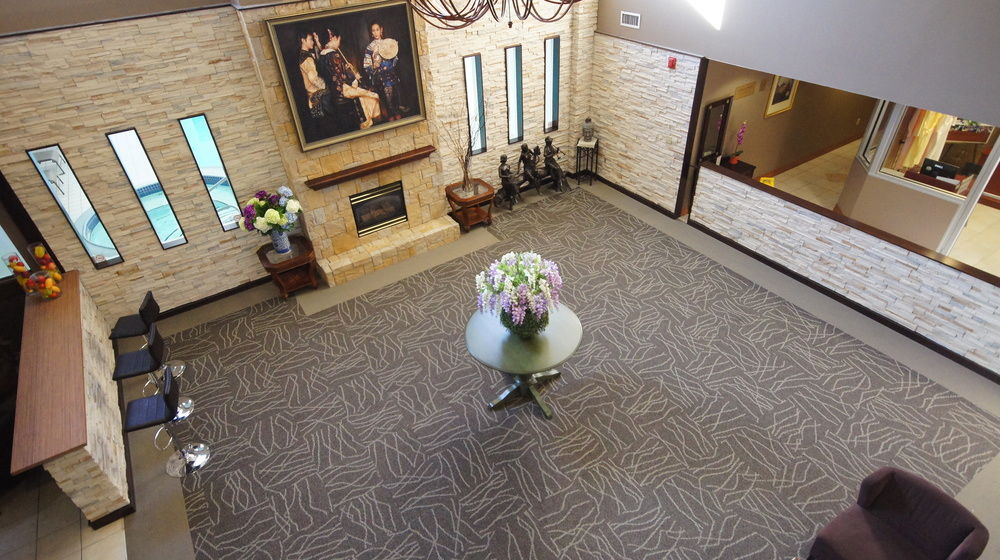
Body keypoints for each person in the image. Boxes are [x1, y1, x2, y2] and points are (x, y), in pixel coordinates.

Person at [317, 29, 381, 130]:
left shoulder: (321, 57)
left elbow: (333, 73)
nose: (339, 44)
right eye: (339, 40)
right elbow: (344, 79)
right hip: (344, 94)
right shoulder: (334, 55)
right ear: (333, 38)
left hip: (334, 95)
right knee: (373, 96)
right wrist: (354, 76)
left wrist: (345, 68)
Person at [364, 22, 405, 121]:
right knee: (388, 105)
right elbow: (366, 66)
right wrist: (374, 66)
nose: (376, 32)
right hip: (381, 78)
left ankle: (399, 118)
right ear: (371, 32)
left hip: (392, 75)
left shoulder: (388, 42)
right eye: (373, 30)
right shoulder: (370, 47)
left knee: (396, 103)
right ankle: (391, 118)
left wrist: (394, 48)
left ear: (381, 30)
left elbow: (395, 59)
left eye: (377, 30)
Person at [297, 31, 328, 120]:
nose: (312, 42)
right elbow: (313, 78)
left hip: (314, 95)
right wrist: (326, 86)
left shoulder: (306, 55)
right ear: (303, 40)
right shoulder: (306, 58)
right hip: (317, 96)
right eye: (310, 39)